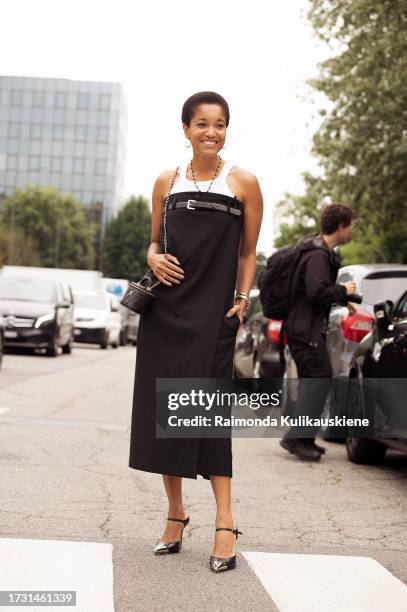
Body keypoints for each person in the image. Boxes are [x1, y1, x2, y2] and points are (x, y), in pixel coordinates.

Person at [128, 91, 263, 572]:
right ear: (185, 129)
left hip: (215, 315)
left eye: (220, 124)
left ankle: (225, 522)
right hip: (166, 311)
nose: (212, 131)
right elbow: (153, 241)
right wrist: (151, 256)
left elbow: (248, 254)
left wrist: (243, 300)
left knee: (208, 415)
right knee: (167, 410)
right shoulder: (166, 181)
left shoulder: (243, 182)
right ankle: (175, 513)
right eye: (202, 123)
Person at [279, 203, 356, 461]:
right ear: (341, 226)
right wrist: (343, 290)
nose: (352, 230)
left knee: (314, 381)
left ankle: (304, 439)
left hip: (301, 328)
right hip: (304, 330)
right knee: (319, 378)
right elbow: (315, 292)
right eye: (351, 225)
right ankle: (296, 438)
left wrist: (345, 298)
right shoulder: (318, 256)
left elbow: (315, 290)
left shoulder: (316, 252)